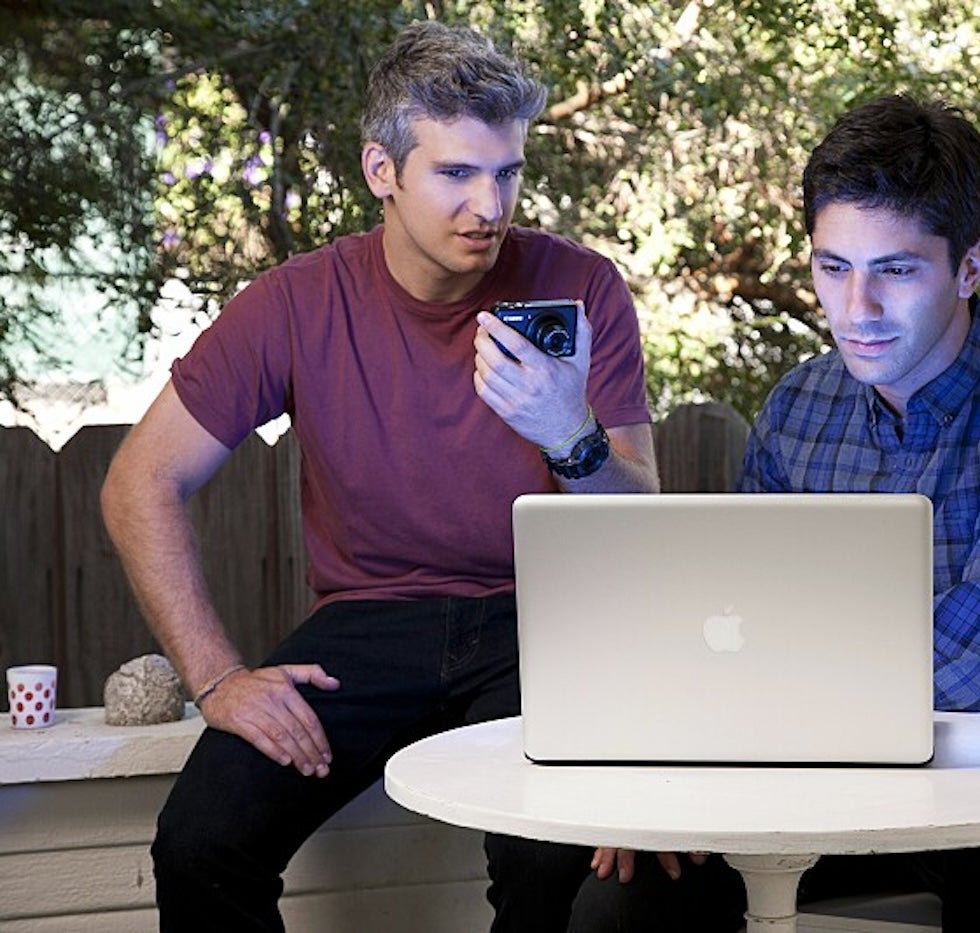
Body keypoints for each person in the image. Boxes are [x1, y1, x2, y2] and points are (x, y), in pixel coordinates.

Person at [490, 93, 980, 933]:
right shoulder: (801, 404)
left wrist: (755, 713)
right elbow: (725, 631)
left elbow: (975, 680)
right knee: (619, 902)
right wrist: (664, 787)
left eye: (896, 270)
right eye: (834, 268)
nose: (857, 309)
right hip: (806, 784)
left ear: (970, 267)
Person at [99, 21, 657, 932]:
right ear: (381, 171)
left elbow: (641, 523)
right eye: (456, 174)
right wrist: (218, 677)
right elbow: (138, 484)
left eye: (508, 172)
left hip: (543, 622)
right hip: (367, 627)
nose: (490, 204)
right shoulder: (293, 303)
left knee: (548, 849)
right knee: (200, 840)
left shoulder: (581, 287)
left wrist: (572, 434)